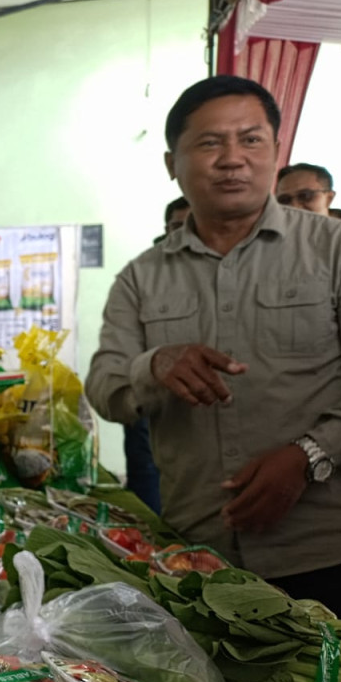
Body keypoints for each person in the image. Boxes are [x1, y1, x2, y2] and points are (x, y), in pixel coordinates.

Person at [87, 75, 341, 632]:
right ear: (172, 163)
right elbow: (105, 386)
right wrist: (154, 366)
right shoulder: (141, 278)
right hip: (201, 561)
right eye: (210, 143)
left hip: (335, 555)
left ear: (276, 152)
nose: (232, 159)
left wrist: (309, 455)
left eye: (251, 140)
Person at [123, 195, 191, 514]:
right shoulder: (146, 274)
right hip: (151, 390)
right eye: (178, 226)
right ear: (167, 229)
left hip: (204, 396)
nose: (186, 233)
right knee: (147, 474)